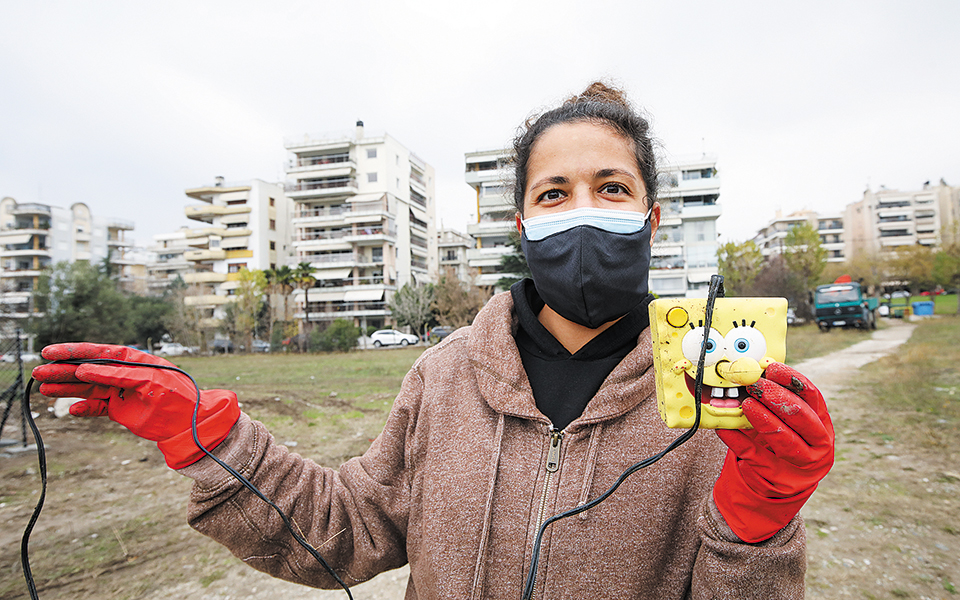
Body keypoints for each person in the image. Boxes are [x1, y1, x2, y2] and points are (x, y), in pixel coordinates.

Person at [33, 82, 833, 599]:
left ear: (652, 220)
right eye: (555, 193)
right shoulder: (444, 376)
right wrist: (207, 441)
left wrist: (759, 524)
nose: (584, 211)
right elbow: (345, 529)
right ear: (521, 225)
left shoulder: (718, 401)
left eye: (612, 187)